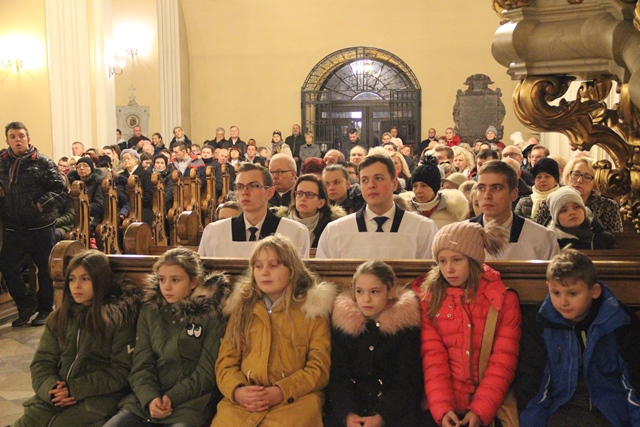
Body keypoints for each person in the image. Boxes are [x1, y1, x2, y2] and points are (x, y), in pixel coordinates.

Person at [212, 236, 335, 427]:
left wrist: (282, 391)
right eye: (258, 266)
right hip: (245, 402)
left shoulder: (312, 310)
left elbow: (319, 368)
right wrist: (237, 391)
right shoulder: (243, 308)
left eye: (273, 265)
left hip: (295, 400)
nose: (264, 272)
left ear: (291, 270)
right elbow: (226, 361)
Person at [13, 250, 143, 427]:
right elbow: (42, 362)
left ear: (100, 280)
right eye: (72, 279)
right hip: (54, 399)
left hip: (97, 402)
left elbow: (121, 371)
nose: (76, 286)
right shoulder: (60, 317)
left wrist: (74, 389)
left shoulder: (118, 319)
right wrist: (52, 389)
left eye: (85, 279)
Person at [105, 247, 231, 427]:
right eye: (162, 279)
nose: (167, 287)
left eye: (175, 280)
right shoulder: (150, 311)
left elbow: (206, 373)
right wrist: (150, 398)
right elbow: (141, 363)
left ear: (193, 282)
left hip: (189, 403)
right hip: (146, 400)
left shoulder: (210, 315)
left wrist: (172, 397)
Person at [412, 221, 521, 427]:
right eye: (442, 261)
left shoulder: (503, 299)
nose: (449, 269)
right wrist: (443, 410)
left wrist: (480, 411)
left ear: (473, 260)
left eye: (457, 260)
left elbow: (502, 362)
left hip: (488, 405)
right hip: (442, 404)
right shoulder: (430, 298)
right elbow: (433, 359)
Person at [515, 249, 640, 426]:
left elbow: (634, 381)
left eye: (572, 293)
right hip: (560, 410)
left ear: (594, 291)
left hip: (610, 412)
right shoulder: (540, 322)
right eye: (556, 293)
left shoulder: (620, 321)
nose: (563, 302)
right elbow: (532, 386)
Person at [324, 260, 423, 427]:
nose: (366, 299)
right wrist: (348, 415)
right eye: (360, 291)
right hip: (350, 413)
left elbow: (407, 380)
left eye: (374, 292)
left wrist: (381, 416)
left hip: (393, 414)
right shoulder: (345, 327)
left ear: (390, 292)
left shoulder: (404, 328)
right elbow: (338, 377)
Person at [0, 122, 66, 327]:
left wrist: (41, 204)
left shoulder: (43, 162)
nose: (17, 140)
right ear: (7, 140)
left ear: (28, 138)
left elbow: (60, 189)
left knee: (45, 268)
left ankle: (45, 308)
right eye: (13, 137)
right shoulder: (2, 162)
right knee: (7, 266)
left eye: (21, 136)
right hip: (14, 226)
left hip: (40, 225)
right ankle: (26, 303)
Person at [316, 153, 438, 259]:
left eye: (378, 178)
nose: (371, 185)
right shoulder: (336, 231)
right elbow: (324, 275)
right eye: (365, 180)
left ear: (394, 183)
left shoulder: (423, 228)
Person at [198, 163, 310, 257]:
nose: (245, 192)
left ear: (269, 192)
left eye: (253, 186)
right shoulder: (214, 232)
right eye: (240, 187)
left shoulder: (295, 232)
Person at [470, 160, 560, 260]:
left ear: (514, 194)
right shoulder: (461, 234)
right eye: (481, 188)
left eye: (496, 188)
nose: (487, 196)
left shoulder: (542, 238)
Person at [534, 156, 623, 233]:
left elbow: (617, 240)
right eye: (576, 175)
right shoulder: (548, 203)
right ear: (568, 176)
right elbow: (536, 235)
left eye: (587, 177)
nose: (579, 180)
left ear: (595, 182)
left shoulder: (608, 206)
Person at [274, 174, 346, 248]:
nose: (303, 198)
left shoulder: (331, 226)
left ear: (320, 203)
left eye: (309, 195)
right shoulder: (280, 223)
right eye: (299, 193)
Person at [402, 157, 469, 228]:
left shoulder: (454, 211)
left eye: (424, 186)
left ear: (435, 187)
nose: (418, 190)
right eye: (415, 186)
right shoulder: (405, 210)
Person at [545, 186, 616, 249]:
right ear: (556, 218)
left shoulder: (604, 240)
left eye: (576, 207)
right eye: (564, 210)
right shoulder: (549, 243)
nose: (572, 212)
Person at [66, 157, 106, 232]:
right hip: (72, 214)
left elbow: (99, 205)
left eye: (85, 166)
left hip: (91, 216)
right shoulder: (71, 182)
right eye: (79, 166)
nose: (81, 168)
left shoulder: (97, 183)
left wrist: (81, 208)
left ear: (91, 168)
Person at [119, 148, 155, 225]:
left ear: (136, 160)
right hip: (126, 207)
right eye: (124, 159)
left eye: (128, 158)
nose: (126, 161)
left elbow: (149, 194)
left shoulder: (145, 174)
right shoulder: (121, 176)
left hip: (142, 207)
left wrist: (136, 203)